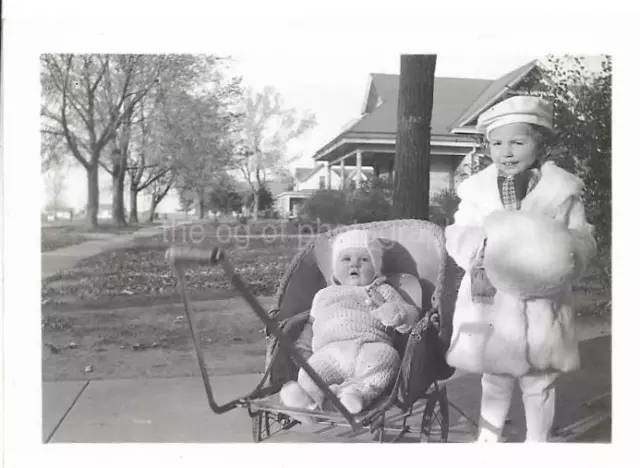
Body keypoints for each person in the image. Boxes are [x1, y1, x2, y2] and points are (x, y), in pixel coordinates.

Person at [444, 95, 597, 442]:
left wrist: (566, 255)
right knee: (494, 375)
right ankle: (488, 439)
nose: (506, 151)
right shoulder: (477, 193)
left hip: (544, 302)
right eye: (497, 143)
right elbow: (459, 232)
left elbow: (581, 237)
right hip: (492, 300)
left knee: (539, 380)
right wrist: (478, 247)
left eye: (517, 142)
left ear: (538, 143)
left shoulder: (561, 191)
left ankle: (537, 443)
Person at [279, 229, 420, 415]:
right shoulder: (323, 295)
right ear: (335, 268)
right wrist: (303, 348)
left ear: (375, 268)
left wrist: (398, 314)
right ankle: (308, 401)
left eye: (364, 259)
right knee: (309, 372)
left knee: (387, 359)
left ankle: (358, 394)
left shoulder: (383, 290)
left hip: (371, 346)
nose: (355, 264)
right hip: (330, 351)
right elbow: (311, 325)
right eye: (346, 259)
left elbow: (411, 315)